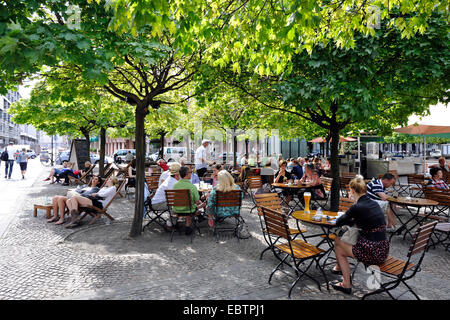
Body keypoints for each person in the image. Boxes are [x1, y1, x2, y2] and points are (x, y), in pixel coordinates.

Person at [330, 176, 389, 294]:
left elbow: (338, 222)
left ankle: (346, 284)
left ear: (352, 191)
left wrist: (350, 212)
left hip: (372, 252)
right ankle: (338, 267)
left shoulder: (357, 207)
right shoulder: (374, 203)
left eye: (349, 191)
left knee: (338, 247)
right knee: (338, 239)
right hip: (383, 249)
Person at [173, 166, 206, 235]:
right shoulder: (192, 186)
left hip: (176, 209)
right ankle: (188, 227)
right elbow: (197, 200)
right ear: (187, 174)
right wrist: (201, 203)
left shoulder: (175, 185)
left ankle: (187, 226)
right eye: (191, 172)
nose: (191, 174)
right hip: (189, 210)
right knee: (193, 206)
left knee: (189, 205)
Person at [151, 162, 181, 231]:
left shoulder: (170, 179)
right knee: (177, 206)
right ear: (177, 175)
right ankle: (169, 224)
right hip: (158, 204)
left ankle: (174, 222)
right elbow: (174, 198)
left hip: (157, 202)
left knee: (177, 204)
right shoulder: (173, 183)